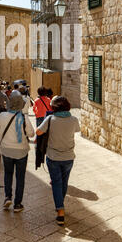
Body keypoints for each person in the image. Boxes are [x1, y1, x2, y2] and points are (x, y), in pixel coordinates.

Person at [36, 96, 80, 226]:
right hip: (69, 157)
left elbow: (38, 132)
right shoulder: (74, 119)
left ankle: (60, 210)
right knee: (64, 182)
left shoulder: (50, 119)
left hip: (53, 156)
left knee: (56, 183)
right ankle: (60, 202)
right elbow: (77, 130)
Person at [0, 93, 35, 212]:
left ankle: (7, 197)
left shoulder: (2, 116)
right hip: (21, 151)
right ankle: (17, 204)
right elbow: (31, 133)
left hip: (6, 150)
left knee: (8, 174)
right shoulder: (23, 117)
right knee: (20, 177)